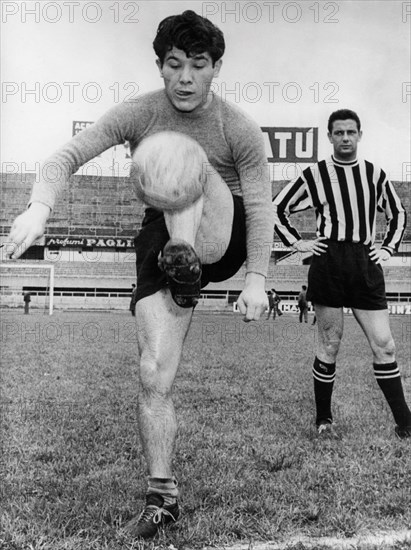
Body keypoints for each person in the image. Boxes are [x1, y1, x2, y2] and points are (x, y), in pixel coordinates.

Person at [6, 11, 273, 539]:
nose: (186, 78)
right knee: (154, 372)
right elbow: (64, 157)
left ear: (216, 67)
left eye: (198, 65)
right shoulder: (140, 111)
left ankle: (187, 258)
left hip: (221, 229)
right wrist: (39, 207)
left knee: (178, 156)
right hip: (163, 235)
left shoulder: (237, 127)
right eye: (174, 65)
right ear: (160, 66)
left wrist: (258, 279)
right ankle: (162, 495)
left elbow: (261, 206)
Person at [273, 108, 410, 439]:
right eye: (339, 132)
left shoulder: (374, 175)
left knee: (385, 345)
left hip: (365, 263)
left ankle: (405, 422)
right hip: (329, 261)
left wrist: (388, 248)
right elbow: (278, 208)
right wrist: (298, 244)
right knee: (330, 344)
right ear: (330, 136)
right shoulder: (316, 174)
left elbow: (398, 213)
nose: (345, 137)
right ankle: (324, 419)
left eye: (351, 132)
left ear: (359, 135)